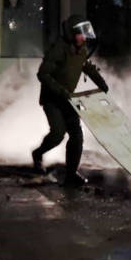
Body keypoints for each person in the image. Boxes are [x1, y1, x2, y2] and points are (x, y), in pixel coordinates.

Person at [31, 14, 109, 187]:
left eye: (84, 34)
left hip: (68, 100)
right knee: (58, 134)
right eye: (80, 34)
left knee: (77, 136)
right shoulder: (59, 49)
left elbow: (86, 66)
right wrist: (60, 91)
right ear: (72, 34)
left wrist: (101, 83)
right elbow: (42, 74)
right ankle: (38, 154)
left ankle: (71, 175)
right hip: (52, 100)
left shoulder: (80, 49)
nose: (83, 37)